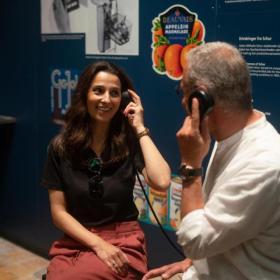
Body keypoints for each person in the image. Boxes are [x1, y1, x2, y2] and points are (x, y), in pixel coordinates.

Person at [143, 41, 280, 280]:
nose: (182, 100)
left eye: (182, 91)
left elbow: (195, 240)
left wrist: (191, 166)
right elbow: (217, 221)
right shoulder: (228, 136)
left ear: (200, 99)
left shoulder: (264, 165)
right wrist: (192, 262)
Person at [41, 61, 171, 279]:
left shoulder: (129, 143)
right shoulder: (60, 147)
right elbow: (58, 213)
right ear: (84, 95)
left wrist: (139, 127)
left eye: (114, 93)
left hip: (123, 239)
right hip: (79, 239)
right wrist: (98, 245)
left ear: (123, 100)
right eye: (98, 91)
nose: (106, 100)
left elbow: (162, 181)